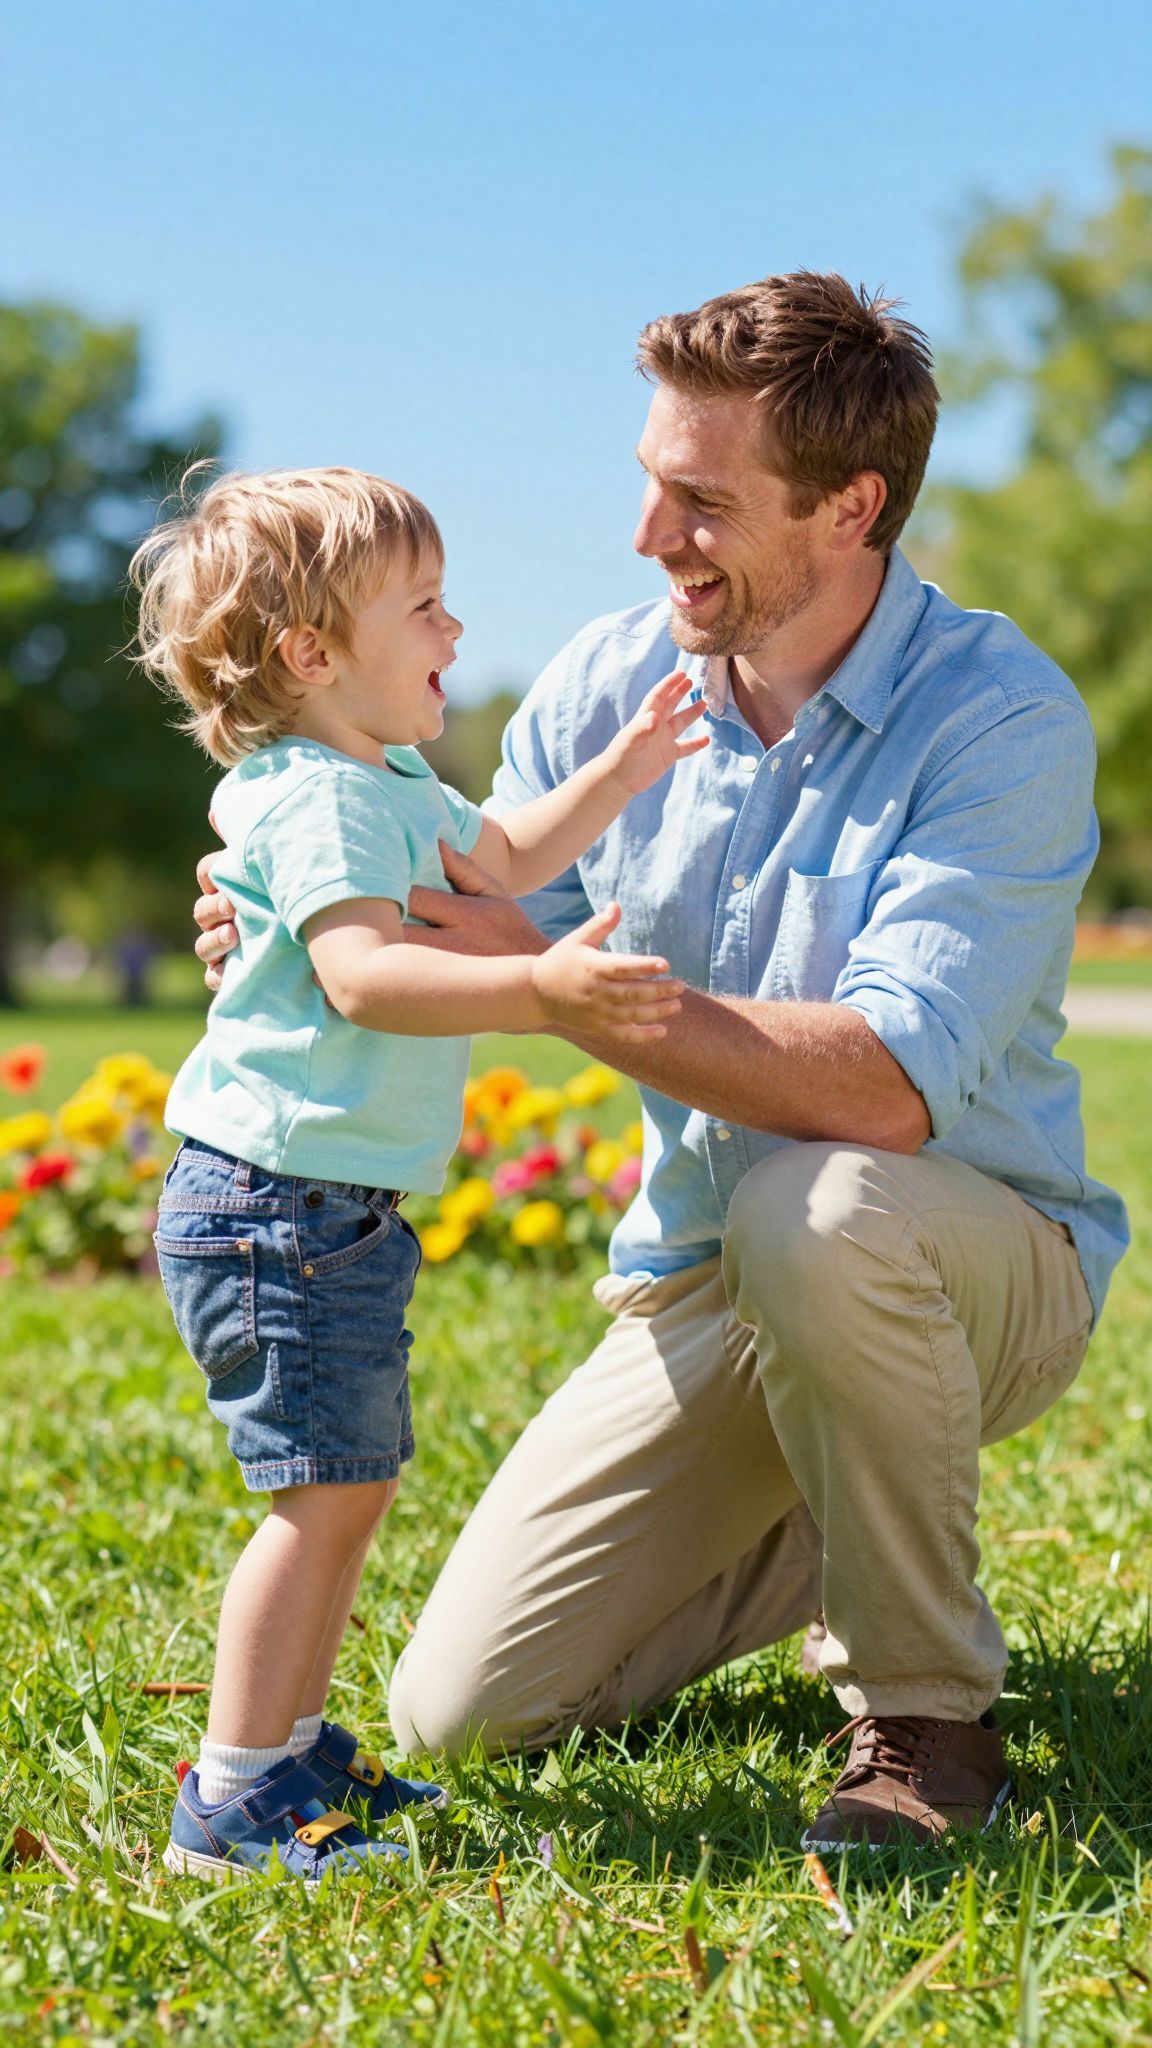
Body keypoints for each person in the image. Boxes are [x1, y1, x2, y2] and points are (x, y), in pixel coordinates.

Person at [194, 275, 1129, 1850]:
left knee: (823, 1211)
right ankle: (855, 1506)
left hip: (970, 1259)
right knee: (461, 1712)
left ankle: (924, 1718)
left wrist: (573, 996)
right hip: (708, 1271)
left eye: (701, 502)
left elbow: (890, 1087)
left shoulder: (998, 718)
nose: (649, 538)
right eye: (649, 483)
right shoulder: (610, 681)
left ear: (853, 507)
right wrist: (300, 916)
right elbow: (470, 921)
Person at [133, 465, 706, 1881]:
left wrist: (620, 774)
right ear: (313, 657)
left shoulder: (381, 776)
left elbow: (503, 852)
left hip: (317, 1208)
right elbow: (366, 976)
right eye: (428, 608)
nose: (456, 630)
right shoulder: (319, 801)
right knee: (318, 1499)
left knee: (346, 1486)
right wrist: (542, 988)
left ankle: (291, 1746)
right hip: (275, 1205)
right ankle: (235, 1795)